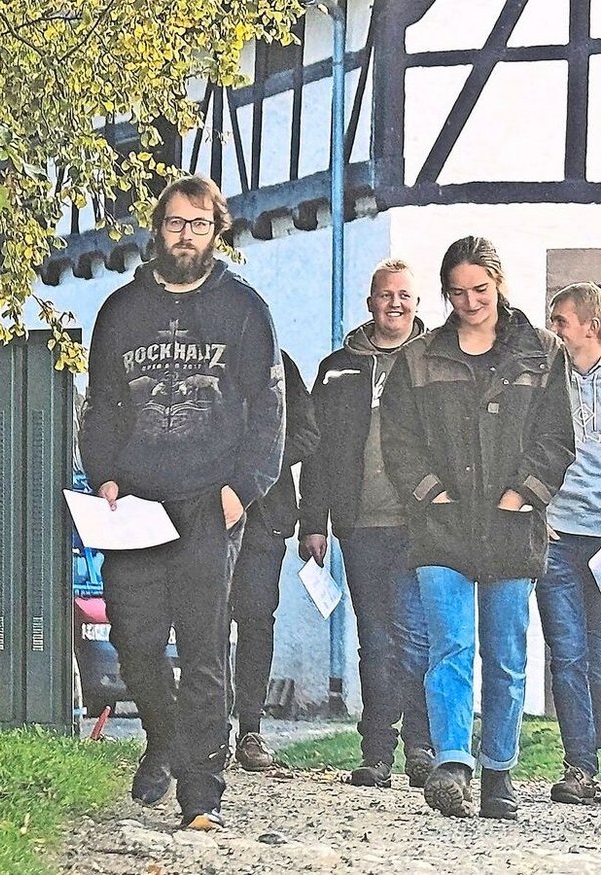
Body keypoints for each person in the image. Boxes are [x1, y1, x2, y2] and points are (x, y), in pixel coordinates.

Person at [80, 174, 285, 830]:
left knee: (203, 647)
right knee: (134, 637)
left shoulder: (244, 309)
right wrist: (104, 476)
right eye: (175, 223)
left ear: (217, 230)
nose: (186, 235)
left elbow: (269, 408)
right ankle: (163, 737)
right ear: (158, 229)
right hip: (136, 501)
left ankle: (202, 793)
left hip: (209, 501)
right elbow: (100, 406)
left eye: (199, 224)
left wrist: (242, 490)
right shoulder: (121, 310)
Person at [382, 236, 573, 819]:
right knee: (452, 646)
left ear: (499, 283)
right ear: (445, 293)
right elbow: (398, 440)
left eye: (480, 290)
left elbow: (557, 437)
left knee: (507, 655)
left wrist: (524, 494)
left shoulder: (542, 352)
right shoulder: (419, 357)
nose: (470, 302)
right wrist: (431, 494)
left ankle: (499, 774)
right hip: (442, 527)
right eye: (458, 292)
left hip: (513, 526)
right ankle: (452, 764)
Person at [297, 259, 434, 789]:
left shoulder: (435, 360)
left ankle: (422, 748)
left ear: (417, 303)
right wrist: (314, 521)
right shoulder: (338, 368)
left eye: (405, 295)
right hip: (360, 526)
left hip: (421, 525)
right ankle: (376, 753)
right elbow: (317, 451)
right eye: (386, 295)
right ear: (370, 302)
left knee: (416, 638)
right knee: (374, 642)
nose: (395, 303)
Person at [229, 350, 318, 771]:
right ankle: (209, 731)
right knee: (204, 619)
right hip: (201, 511)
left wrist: (260, 462)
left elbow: (308, 434)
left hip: (264, 516)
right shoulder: (199, 358)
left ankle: (250, 729)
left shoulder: (278, 362)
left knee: (256, 619)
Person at [537, 281, 601, 805]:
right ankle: (580, 766)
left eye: (561, 321)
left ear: (591, 326)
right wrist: (536, 510)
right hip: (556, 537)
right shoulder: (543, 379)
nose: (553, 329)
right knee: (567, 654)